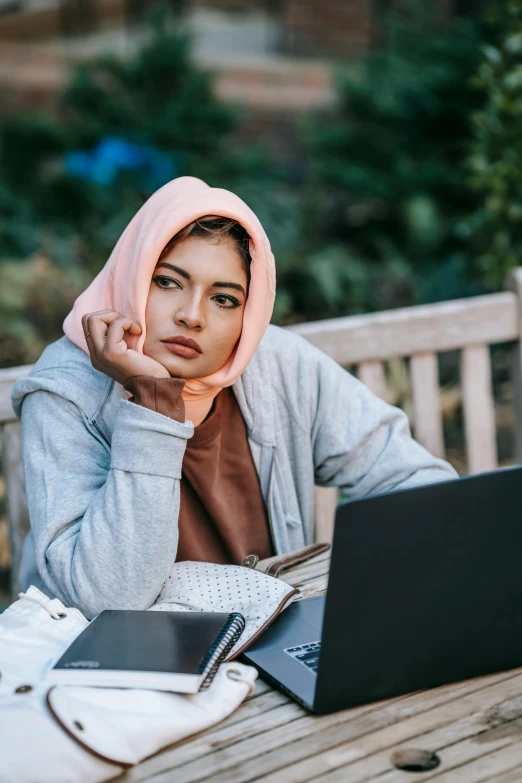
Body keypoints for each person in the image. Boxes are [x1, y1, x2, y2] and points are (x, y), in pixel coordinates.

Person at [11, 176, 457, 620]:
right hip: (119, 667)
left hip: (265, 638)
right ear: (133, 274)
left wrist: (363, 587)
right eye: (167, 282)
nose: (191, 316)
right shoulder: (65, 394)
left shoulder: (281, 367)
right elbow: (109, 600)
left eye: (224, 299)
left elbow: (418, 483)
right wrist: (153, 402)